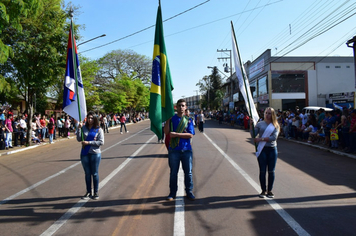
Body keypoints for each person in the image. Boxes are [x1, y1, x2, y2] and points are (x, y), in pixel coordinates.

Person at [164, 99, 195, 201]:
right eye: (179, 105)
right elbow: (167, 132)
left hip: (186, 150)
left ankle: (189, 191)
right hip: (174, 150)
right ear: (176, 107)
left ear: (185, 107)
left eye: (183, 106)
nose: (181, 107)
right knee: (173, 173)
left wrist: (176, 134)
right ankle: (172, 193)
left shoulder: (189, 120)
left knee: (188, 173)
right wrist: (167, 120)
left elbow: (190, 134)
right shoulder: (172, 119)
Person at [250, 107, 280, 198]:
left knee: (271, 171)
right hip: (262, 150)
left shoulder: (276, 125)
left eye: (269, 113)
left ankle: (269, 190)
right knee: (262, 171)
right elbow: (253, 135)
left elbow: (273, 138)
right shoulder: (260, 124)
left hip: (272, 150)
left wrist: (261, 139)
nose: (267, 115)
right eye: (266, 113)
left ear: (273, 115)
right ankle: (263, 190)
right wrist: (251, 126)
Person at [77, 111, 104, 200]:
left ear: (95, 119)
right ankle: (88, 191)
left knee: (95, 173)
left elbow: (101, 142)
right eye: (88, 118)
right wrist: (79, 129)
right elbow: (79, 139)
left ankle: (96, 192)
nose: (89, 119)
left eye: (92, 118)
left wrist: (89, 142)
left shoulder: (98, 129)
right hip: (85, 153)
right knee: (87, 174)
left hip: (95, 154)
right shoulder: (83, 128)